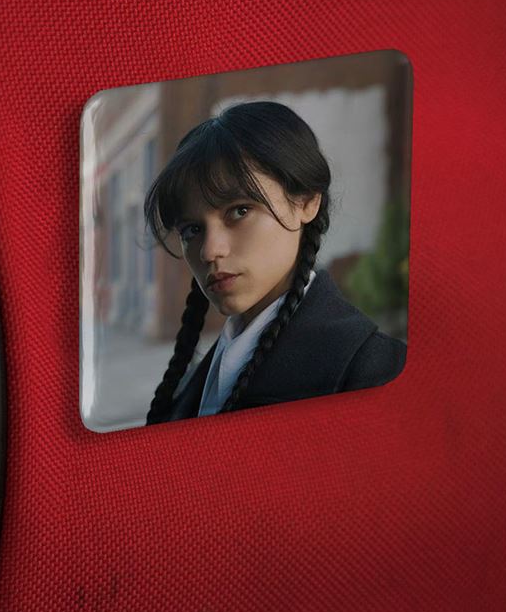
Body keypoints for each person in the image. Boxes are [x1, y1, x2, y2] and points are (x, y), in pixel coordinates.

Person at [143, 100, 406, 424]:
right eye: (192, 230)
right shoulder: (198, 377)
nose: (209, 251)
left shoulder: (376, 371)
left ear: (306, 202)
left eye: (240, 211)